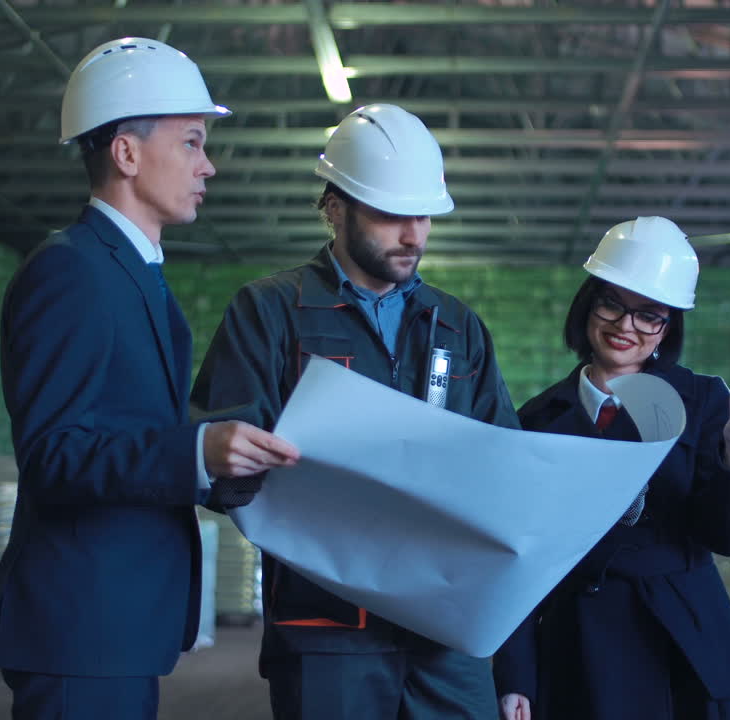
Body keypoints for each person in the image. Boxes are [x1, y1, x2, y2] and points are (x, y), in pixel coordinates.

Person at [0, 37, 298, 720]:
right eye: (191, 142)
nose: (207, 165)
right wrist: (196, 450)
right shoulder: (70, 271)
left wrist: (227, 463)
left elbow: (128, 437)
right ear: (126, 154)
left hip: (114, 624)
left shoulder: (136, 279)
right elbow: (53, 456)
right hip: (81, 626)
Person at [190, 103, 520, 720]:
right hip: (327, 631)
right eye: (393, 215)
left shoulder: (456, 326)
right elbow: (220, 465)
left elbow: (503, 463)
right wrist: (233, 460)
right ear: (335, 205)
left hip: (447, 633)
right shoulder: (269, 312)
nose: (414, 235)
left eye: (423, 215)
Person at [492, 217, 730, 720]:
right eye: (613, 304)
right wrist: (516, 675)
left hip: (681, 641)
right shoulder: (538, 419)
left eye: (649, 315)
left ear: (668, 327)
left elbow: (727, 537)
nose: (626, 326)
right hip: (579, 642)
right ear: (588, 304)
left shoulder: (701, 401)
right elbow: (519, 561)